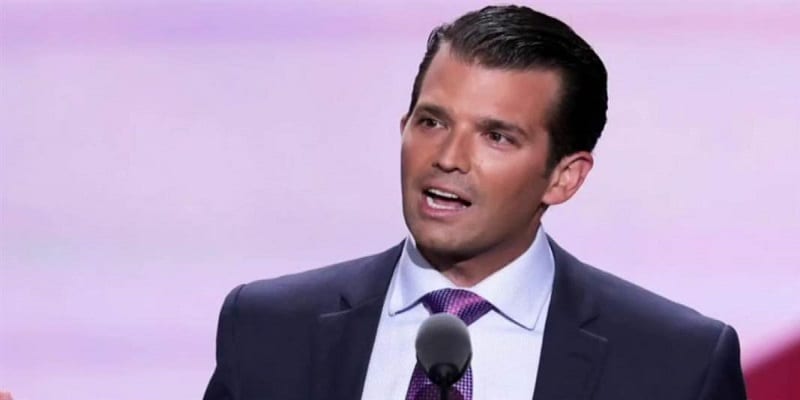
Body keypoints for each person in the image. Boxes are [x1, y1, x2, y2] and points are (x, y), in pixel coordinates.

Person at [203, 5, 747, 400]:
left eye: (497, 136)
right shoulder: (267, 329)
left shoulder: (676, 365)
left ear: (564, 178)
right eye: (432, 122)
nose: (448, 158)